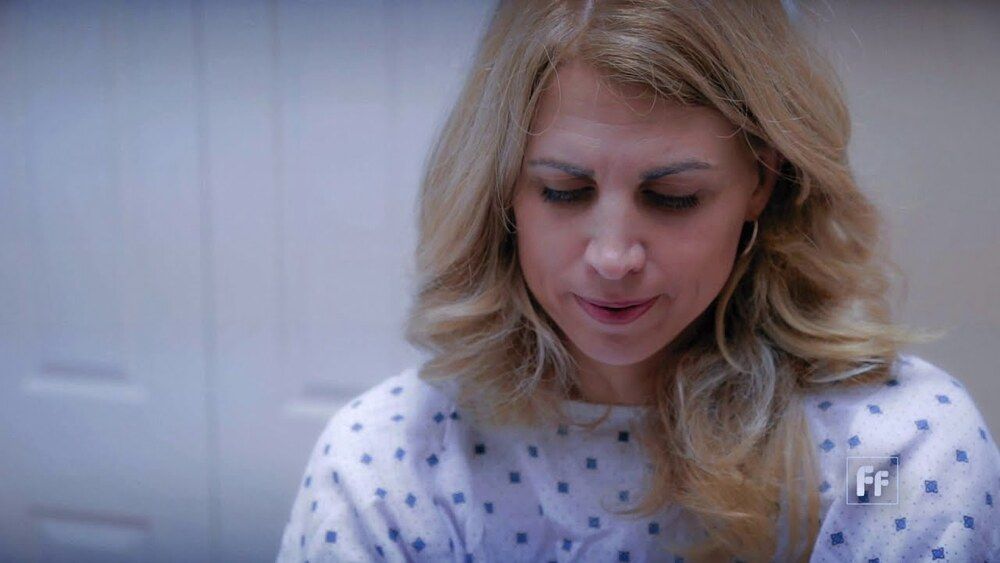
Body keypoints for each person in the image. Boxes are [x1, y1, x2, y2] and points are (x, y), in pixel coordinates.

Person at [276, 1, 1000, 561]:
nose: (613, 257)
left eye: (673, 197)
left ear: (762, 179)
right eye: (563, 191)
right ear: (501, 192)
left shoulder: (895, 450)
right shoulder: (389, 464)